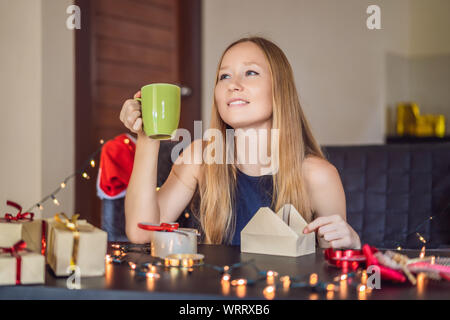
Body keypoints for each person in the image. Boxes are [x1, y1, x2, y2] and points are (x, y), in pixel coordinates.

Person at [119, 36, 361, 249]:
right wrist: (147, 138)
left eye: (251, 72)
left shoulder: (319, 175)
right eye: (224, 76)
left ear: (280, 88)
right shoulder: (199, 158)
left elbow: (336, 259)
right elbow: (141, 233)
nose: (233, 84)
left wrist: (351, 242)